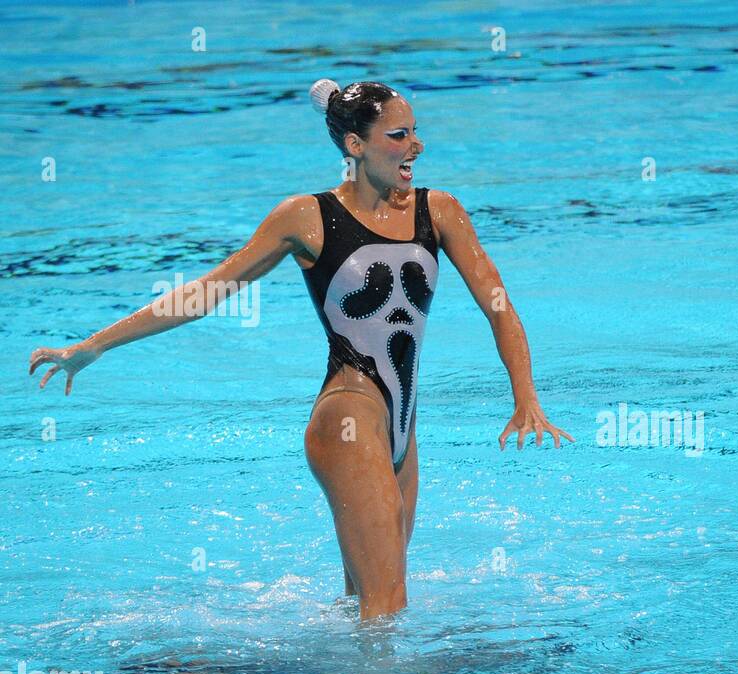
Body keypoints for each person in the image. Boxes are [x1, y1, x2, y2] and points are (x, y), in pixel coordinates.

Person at [29, 79, 572, 621]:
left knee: (366, 604)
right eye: (399, 135)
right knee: (389, 604)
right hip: (349, 418)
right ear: (355, 146)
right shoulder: (307, 218)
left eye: (417, 133)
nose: (417, 146)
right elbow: (208, 290)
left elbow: (499, 305)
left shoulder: (441, 211)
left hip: (402, 428)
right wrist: (94, 345)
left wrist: (526, 398)